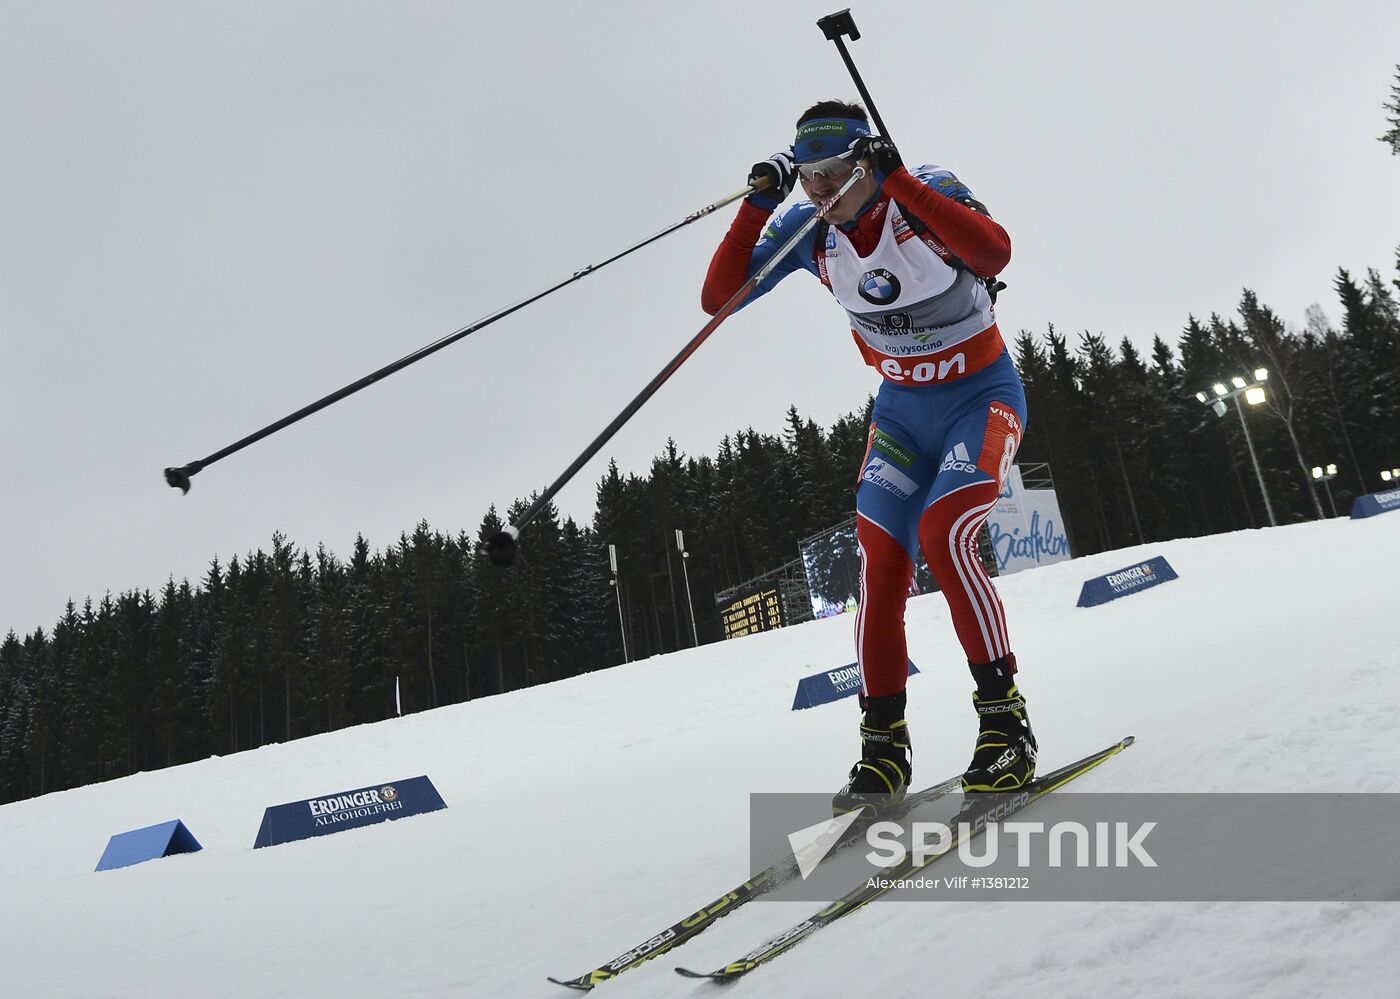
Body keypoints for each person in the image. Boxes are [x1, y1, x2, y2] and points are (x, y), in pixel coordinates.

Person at [701, 101, 1036, 815]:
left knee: (946, 535)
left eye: (832, 176)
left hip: (980, 397)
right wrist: (760, 204)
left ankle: (1006, 723)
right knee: (880, 558)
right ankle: (883, 750)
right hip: (902, 415)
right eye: (807, 179)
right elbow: (717, 299)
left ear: (864, 161)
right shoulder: (810, 232)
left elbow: (994, 253)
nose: (819, 193)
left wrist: (900, 182)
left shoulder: (925, 190)